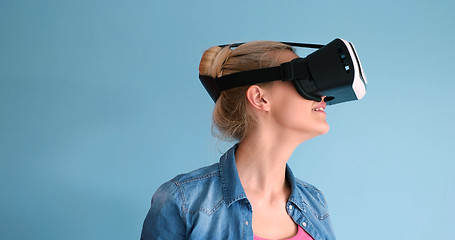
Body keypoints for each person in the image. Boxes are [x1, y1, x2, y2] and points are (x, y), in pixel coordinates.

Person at [141, 41, 336, 240]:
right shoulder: (183, 202)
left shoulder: (314, 203)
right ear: (259, 98)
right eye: (303, 80)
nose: (322, 95)